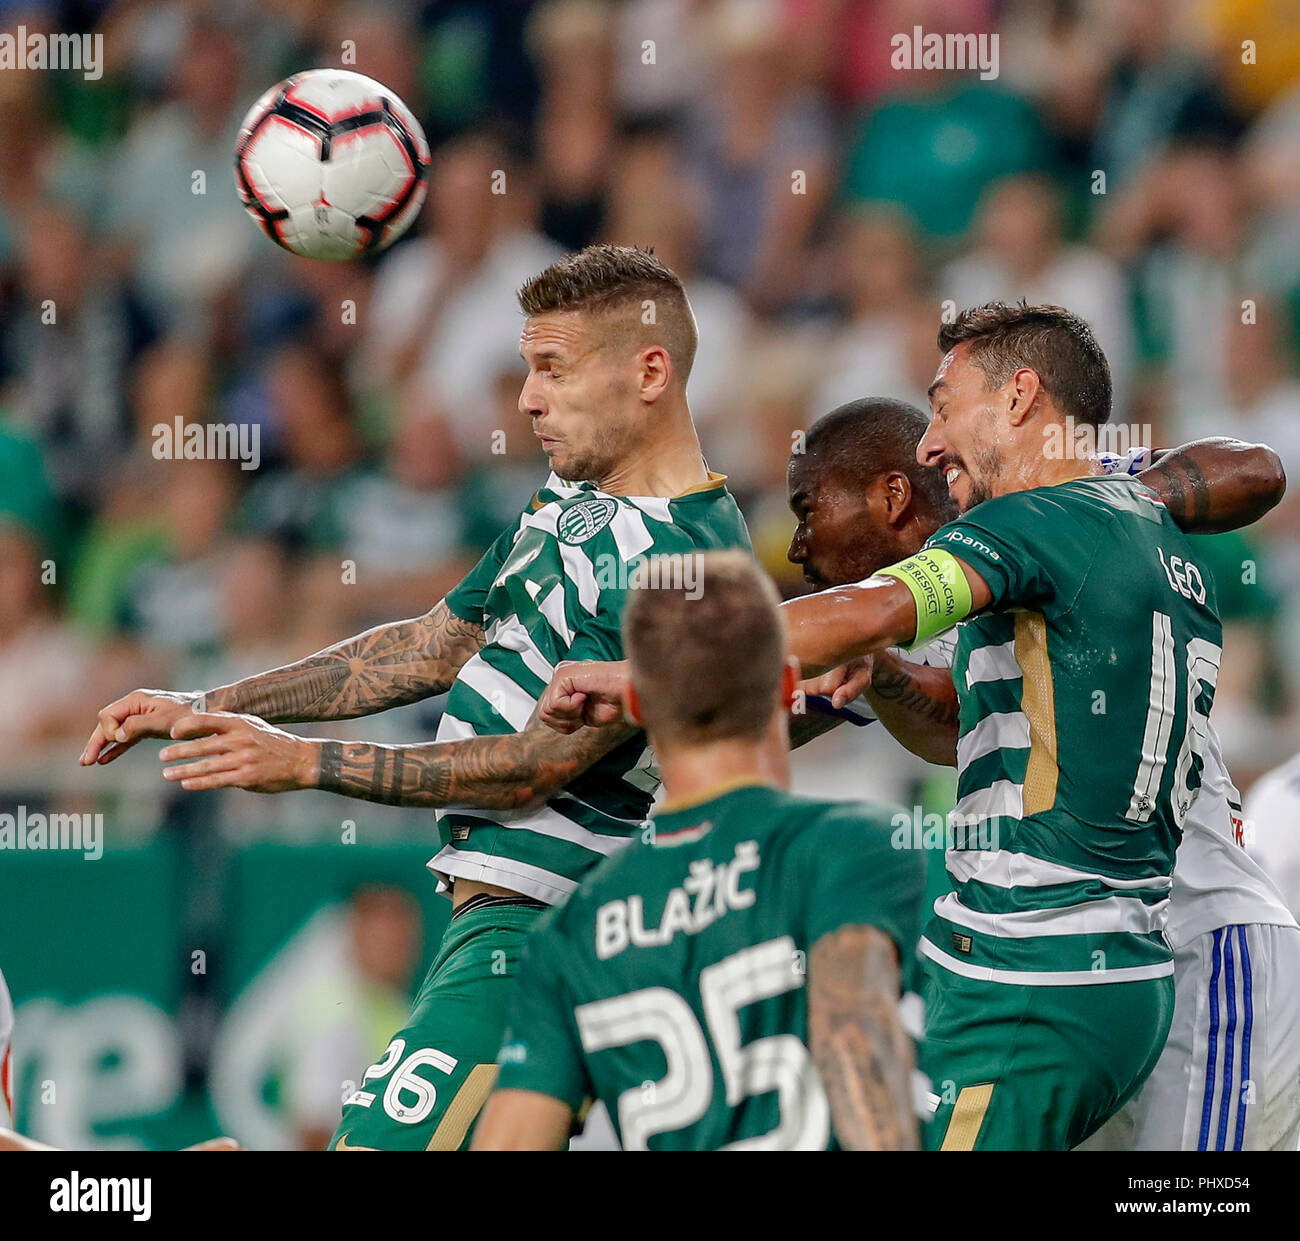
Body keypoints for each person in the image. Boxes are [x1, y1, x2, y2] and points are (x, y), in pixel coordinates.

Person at [80, 245, 751, 1150]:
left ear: (650, 370)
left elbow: (533, 769)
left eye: (552, 367)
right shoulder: (572, 497)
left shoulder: (688, 562)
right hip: (502, 929)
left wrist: (303, 763)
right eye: (526, 367)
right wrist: (215, 697)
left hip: (548, 928)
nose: (527, 398)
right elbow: (436, 641)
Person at [537, 301, 1231, 1150]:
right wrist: (895, 678)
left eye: (943, 405)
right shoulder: (1151, 536)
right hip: (1108, 963)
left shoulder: (1041, 520)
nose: (931, 442)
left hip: (1034, 967)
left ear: (1020, 397)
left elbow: (877, 605)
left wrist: (652, 668)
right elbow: (979, 728)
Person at [788, 399, 1300, 1152]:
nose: (799, 544)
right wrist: (884, 671)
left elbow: (1258, 468)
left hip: (1197, 937)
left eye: (808, 509)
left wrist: (1097, 509)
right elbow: (954, 721)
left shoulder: (1054, 504)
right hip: (1082, 969)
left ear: (890, 497)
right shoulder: (938, 600)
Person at [472, 551, 924, 1150]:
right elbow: (854, 1046)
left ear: (635, 705)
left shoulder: (568, 937)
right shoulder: (854, 848)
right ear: (788, 686)